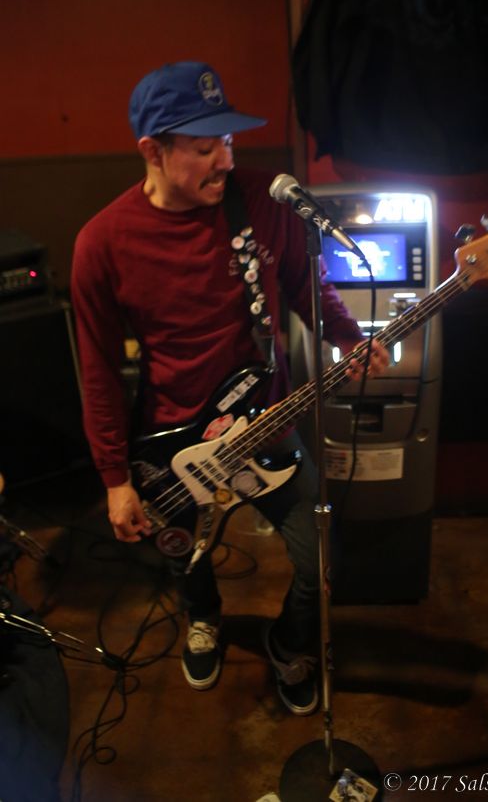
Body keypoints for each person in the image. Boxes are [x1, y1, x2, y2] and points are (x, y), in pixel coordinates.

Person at [71, 61, 389, 716]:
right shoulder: (101, 243)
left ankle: (288, 642)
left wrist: (345, 335)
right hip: (170, 436)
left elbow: (304, 283)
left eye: (228, 141)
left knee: (319, 562)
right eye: (203, 147)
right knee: (185, 558)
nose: (224, 160)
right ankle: (204, 617)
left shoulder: (261, 203)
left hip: (266, 421)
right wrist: (114, 478)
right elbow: (97, 368)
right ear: (152, 152)